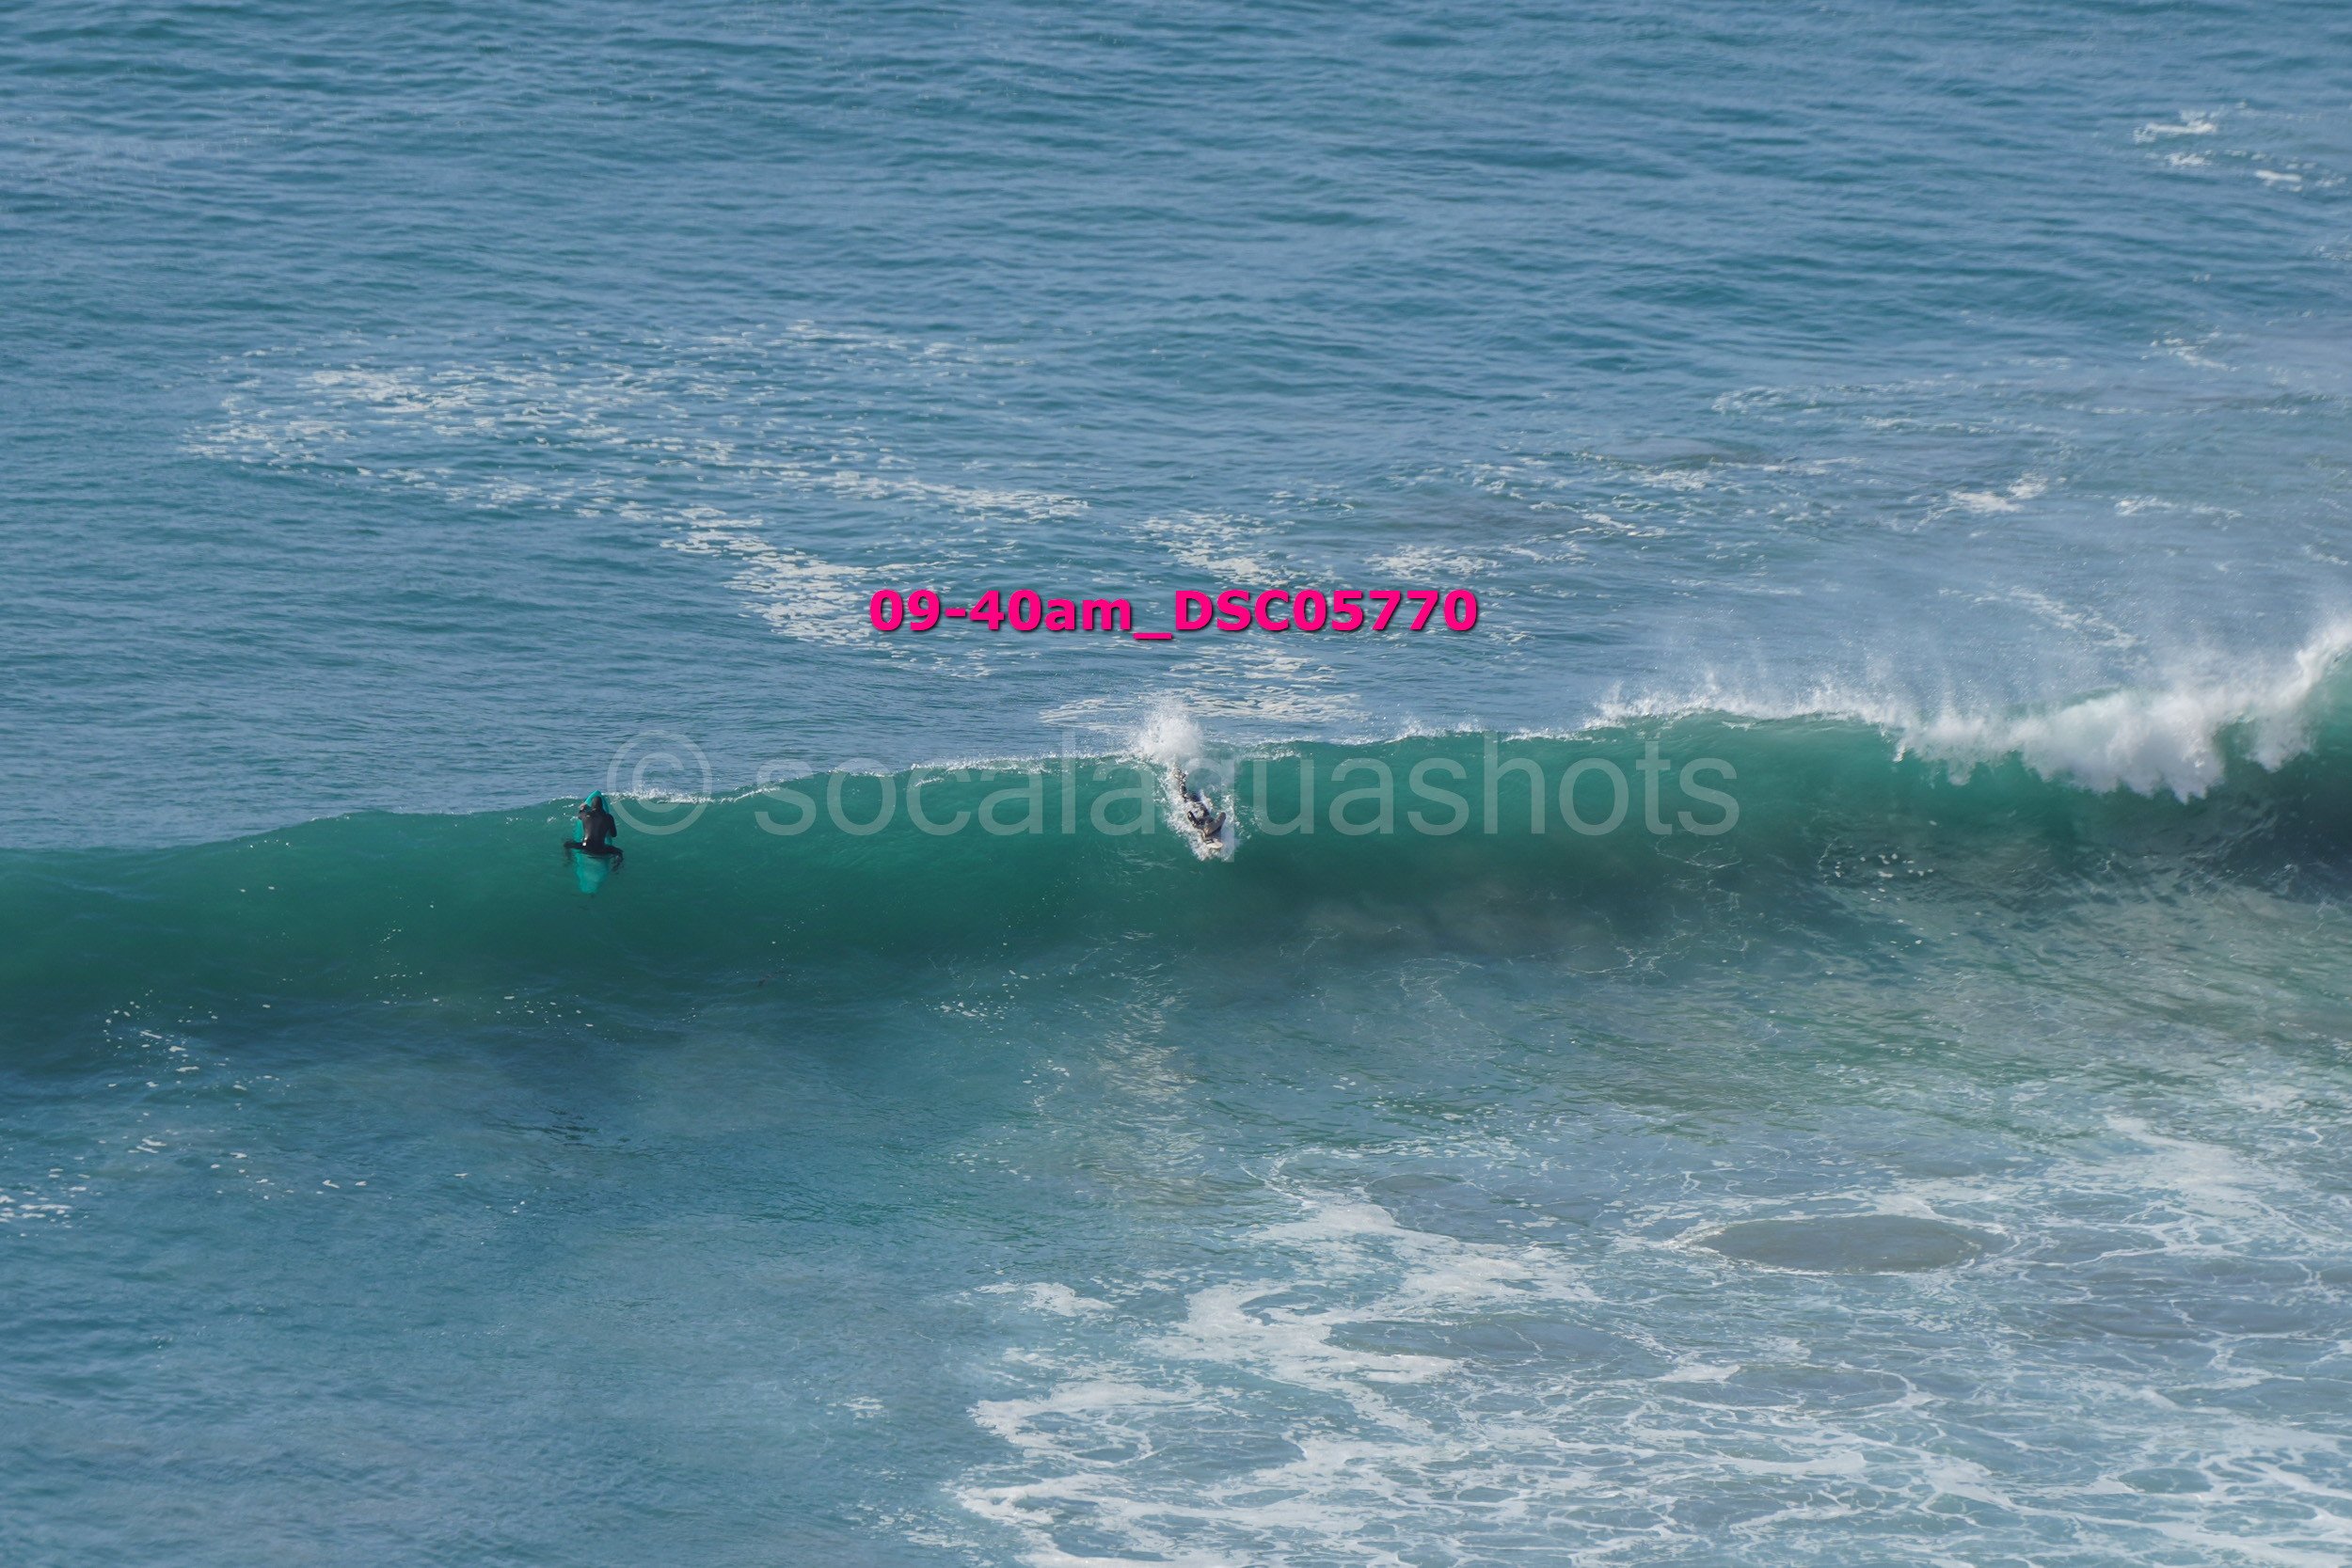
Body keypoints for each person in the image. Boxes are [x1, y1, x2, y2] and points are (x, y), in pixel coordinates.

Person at [1174, 769, 1225, 839]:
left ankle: (1182, 778)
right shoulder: (1201, 826)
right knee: (1186, 795)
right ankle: (1181, 778)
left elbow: (1223, 814)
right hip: (1200, 808)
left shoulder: (1215, 826)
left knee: (1186, 795)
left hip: (1201, 809)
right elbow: (1189, 814)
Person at [573, 791, 622, 857]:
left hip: (585, 848)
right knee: (619, 852)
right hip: (600, 849)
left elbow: (579, 815)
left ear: (592, 806)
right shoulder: (609, 817)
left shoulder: (585, 815)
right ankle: (616, 866)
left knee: (567, 843)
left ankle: (569, 860)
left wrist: (583, 808)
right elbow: (613, 835)